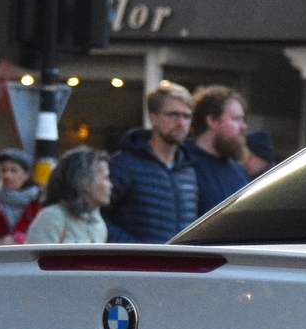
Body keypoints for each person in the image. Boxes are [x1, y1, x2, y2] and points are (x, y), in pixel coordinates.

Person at [104, 82, 199, 243]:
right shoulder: (125, 165)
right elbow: (96, 217)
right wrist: (135, 250)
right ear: (153, 118)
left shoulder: (189, 169)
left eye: (186, 116)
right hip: (137, 265)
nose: (181, 123)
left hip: (178, 265)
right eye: (174, 115)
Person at [27, 146, 114, 244]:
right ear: (85, 182)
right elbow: (35, 258)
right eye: (106, 178)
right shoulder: (52, 218)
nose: (111, 185)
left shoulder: (99, 225)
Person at [186, 85, 252, 215]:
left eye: (242, 119)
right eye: (236, 119)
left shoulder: (237, 171)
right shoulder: (184, 163)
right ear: (212, 120)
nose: (243, 126)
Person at [0, 149, 42, 244]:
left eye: (14, 171)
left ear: (27, 175)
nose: (7, 175)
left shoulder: (39, 204)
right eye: (4, 170)